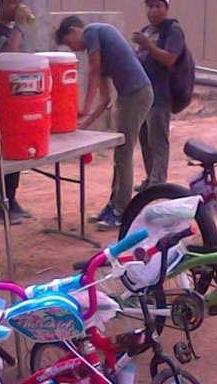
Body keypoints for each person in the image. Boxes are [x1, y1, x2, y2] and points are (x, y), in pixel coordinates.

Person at [56, 16, 153, 230]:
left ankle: (121, 211)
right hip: (130, 96)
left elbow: (93, 70)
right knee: (120, 153)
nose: (74, 49)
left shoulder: (92, 31)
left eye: (70, 43)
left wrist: (84, 106)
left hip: (137, 94)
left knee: (123, 153)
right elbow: (106, 100)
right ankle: (114, 204)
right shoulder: (102, 48)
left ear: (74, 30)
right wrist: (83, 124)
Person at [0, 0, 34, 225]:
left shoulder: (16, 30)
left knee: (16, 148)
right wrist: (16, 31)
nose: (17, 6)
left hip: (17, 100)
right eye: (12, 2)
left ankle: (12, 199)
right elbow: (7, 59)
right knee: (2, 153)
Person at [133, 0, 186, 191]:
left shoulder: (173, 30)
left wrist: (148, 45)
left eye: (158, 6)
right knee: (145, 139)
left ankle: (158, 183)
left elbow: (170, 59)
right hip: (143, 95)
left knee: (158, 140)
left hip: (161, 94)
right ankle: (151, 179)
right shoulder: (146, 30)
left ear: (166, 8)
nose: (153, 11)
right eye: (150, 6)